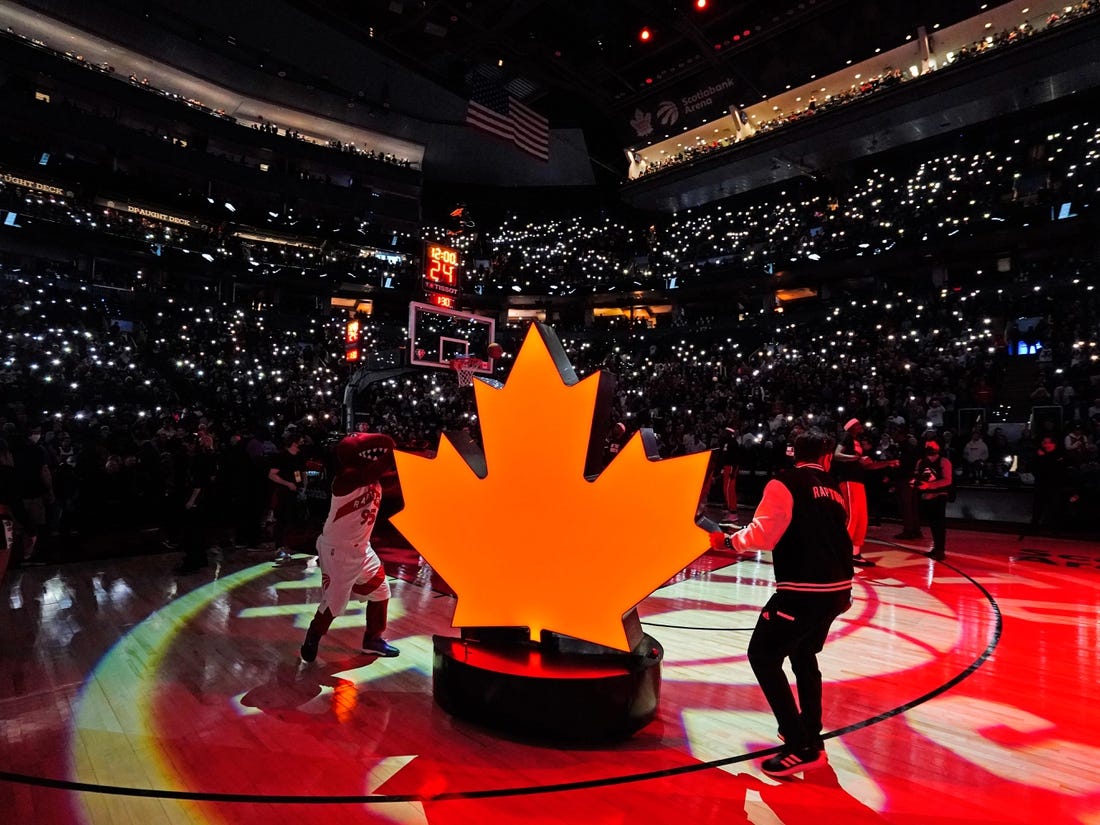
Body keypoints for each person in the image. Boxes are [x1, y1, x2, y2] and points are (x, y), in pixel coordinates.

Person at [708, 430, 853, 777]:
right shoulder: (834, 489)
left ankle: (798, 743)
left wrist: (730, 540)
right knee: (804, 656)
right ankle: (810, 735)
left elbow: (764, 535)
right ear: (826, 458)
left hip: (803, 589)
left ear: (793, 454)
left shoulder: (784, 483)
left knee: (763, 656)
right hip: (838, 590)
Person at [300, 432, 401, 663]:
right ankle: (314, 633)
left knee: (381, 590)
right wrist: (393, 451)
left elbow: (389, 475)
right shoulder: (345, 478)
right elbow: (371, 471)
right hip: (338, 550)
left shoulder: (374, 480)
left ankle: (372, 640)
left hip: (362, 549)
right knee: (334, 603)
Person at [832, 419, 878, 567]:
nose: (861, 427)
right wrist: (856, 458)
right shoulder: (846, 437)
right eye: (858, 425)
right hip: (848, 480)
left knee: (861, 518)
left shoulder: (856, 440)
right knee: (852, 517)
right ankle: (839, 551)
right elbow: (837, 455)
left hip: (858, 481)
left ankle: (855, 553)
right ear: (851, 427)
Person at [268, 432, 306, 561]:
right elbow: (272, 475)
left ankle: (288, 545)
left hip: (296, 491)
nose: (303, 442)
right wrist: (287, 484)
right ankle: (279, 546)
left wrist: (303, 486)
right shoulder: (281, 456)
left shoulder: (300, 455)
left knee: (293, 520)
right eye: (301, 440)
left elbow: (302, 472)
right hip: (284, 492)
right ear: (294, 442)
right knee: (282, 520)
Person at [913, 437, 953, 561]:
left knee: (938, 524)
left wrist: (930, 486)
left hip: (939, 495)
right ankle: (936, 548)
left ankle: (940, 550)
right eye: (927, 444)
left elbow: (948, 480)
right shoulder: (921, 462)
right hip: (926, 496)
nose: (929, 446)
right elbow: (917, 476)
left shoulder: (944, 461)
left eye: (932, 444)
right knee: (932, 524)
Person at [719, 425, 742, 524]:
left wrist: (733, 470)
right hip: (727, 467)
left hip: (732, 467)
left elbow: (736, 458)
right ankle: (730, 511)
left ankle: (733, 513)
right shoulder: (727, 442)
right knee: (727, 490)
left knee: (729, 490)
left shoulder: (733, 443)